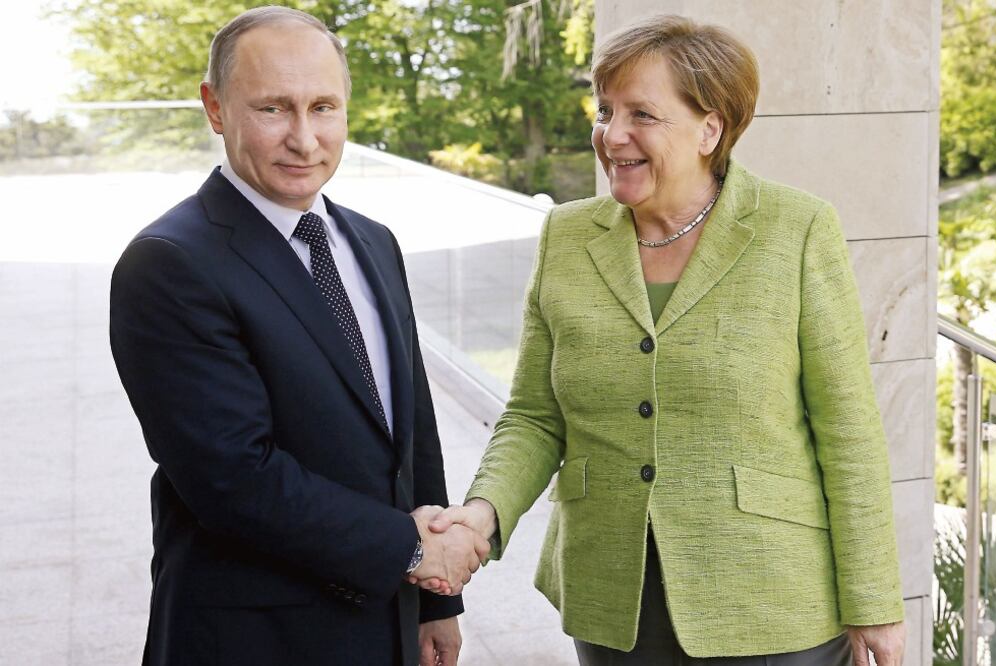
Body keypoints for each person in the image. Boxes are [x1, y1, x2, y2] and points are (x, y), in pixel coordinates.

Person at [419, 13, 906, 666]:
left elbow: (846, 427)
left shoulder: (796, 229)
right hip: (613, 601)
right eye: (604, 110)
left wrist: (873, 599)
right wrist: (481, 515)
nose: (611, 135)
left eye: (640, 115)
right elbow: (537, 414)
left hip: (771, 603)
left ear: (710, 128)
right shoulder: (567, 236)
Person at [109, 7, 487, 666]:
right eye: (274, 109)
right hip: (255, 638)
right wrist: (415, 547)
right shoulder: (169, 263)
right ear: (215, 107)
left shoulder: (372, 240)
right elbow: (232, 478)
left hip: (387, 620)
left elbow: (410, 430)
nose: (305, 139)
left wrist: (436, 600)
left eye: (323, 107)